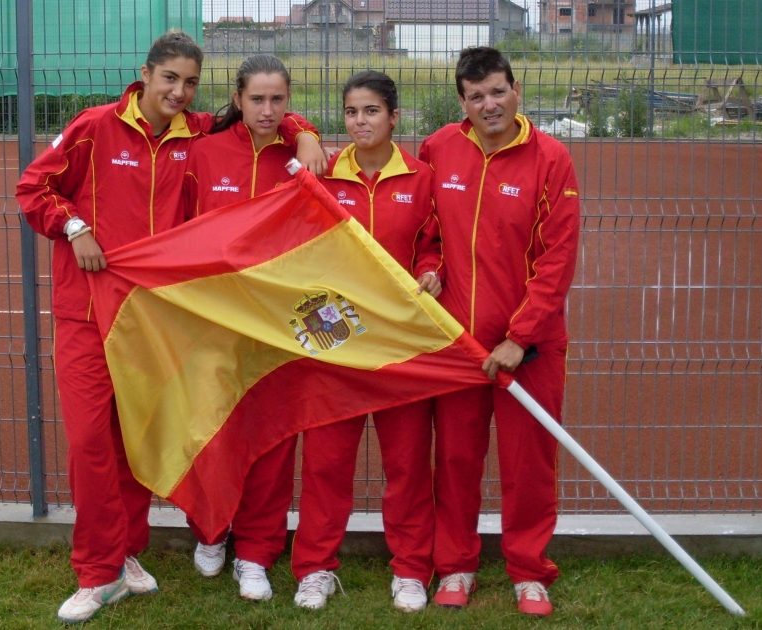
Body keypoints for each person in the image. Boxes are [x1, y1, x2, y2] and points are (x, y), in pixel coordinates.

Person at [16, 32, 325, 624]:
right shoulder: (95, 126)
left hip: (156, 320)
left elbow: (265, 115)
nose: (179, 92)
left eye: (189, 83)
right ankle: (96, 572)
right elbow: (35, 188)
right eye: (169, 80)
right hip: (86, 314)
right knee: (88, 443)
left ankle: (128, 554)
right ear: (145, 75)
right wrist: (74, 226)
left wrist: (304, 130)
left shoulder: (197, 133)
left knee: (136, 442)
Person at [418, 47, 580, 616]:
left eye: (498, 91)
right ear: (462, 101)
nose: (489, 104)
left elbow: (556, 259)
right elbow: (426, 232)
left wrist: (521, 337)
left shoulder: (551, 158)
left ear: (517, 90)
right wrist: (429, 270)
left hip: (527, 349)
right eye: (476, 95)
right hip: (459, 346)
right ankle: (456, 566)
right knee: (456, 463)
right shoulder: (439, 148)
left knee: (528, 464)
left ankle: (529, 571)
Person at [288, 70, 442, 612]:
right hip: (338, 346)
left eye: (372, 111)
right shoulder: (323, 175)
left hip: (401, 348)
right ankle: (314, 569)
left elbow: (432, 243)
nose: (361, 121)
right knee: (326, 465)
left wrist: (431, 270)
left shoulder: (422, 178)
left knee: (406, 466)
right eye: (352, 112)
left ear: (393, 117)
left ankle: (410, 570)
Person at [183, 53, 323, 602]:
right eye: (257, 99)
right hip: (213, 322)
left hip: (276, 326)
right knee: (212, 432)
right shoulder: (203, 152)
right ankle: (212, 532)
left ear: (290, 102)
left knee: (270, 441)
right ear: (237, 99)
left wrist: (303, 133)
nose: (268, 110)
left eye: (278, 100)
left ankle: (257, 553)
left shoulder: (303, 160)